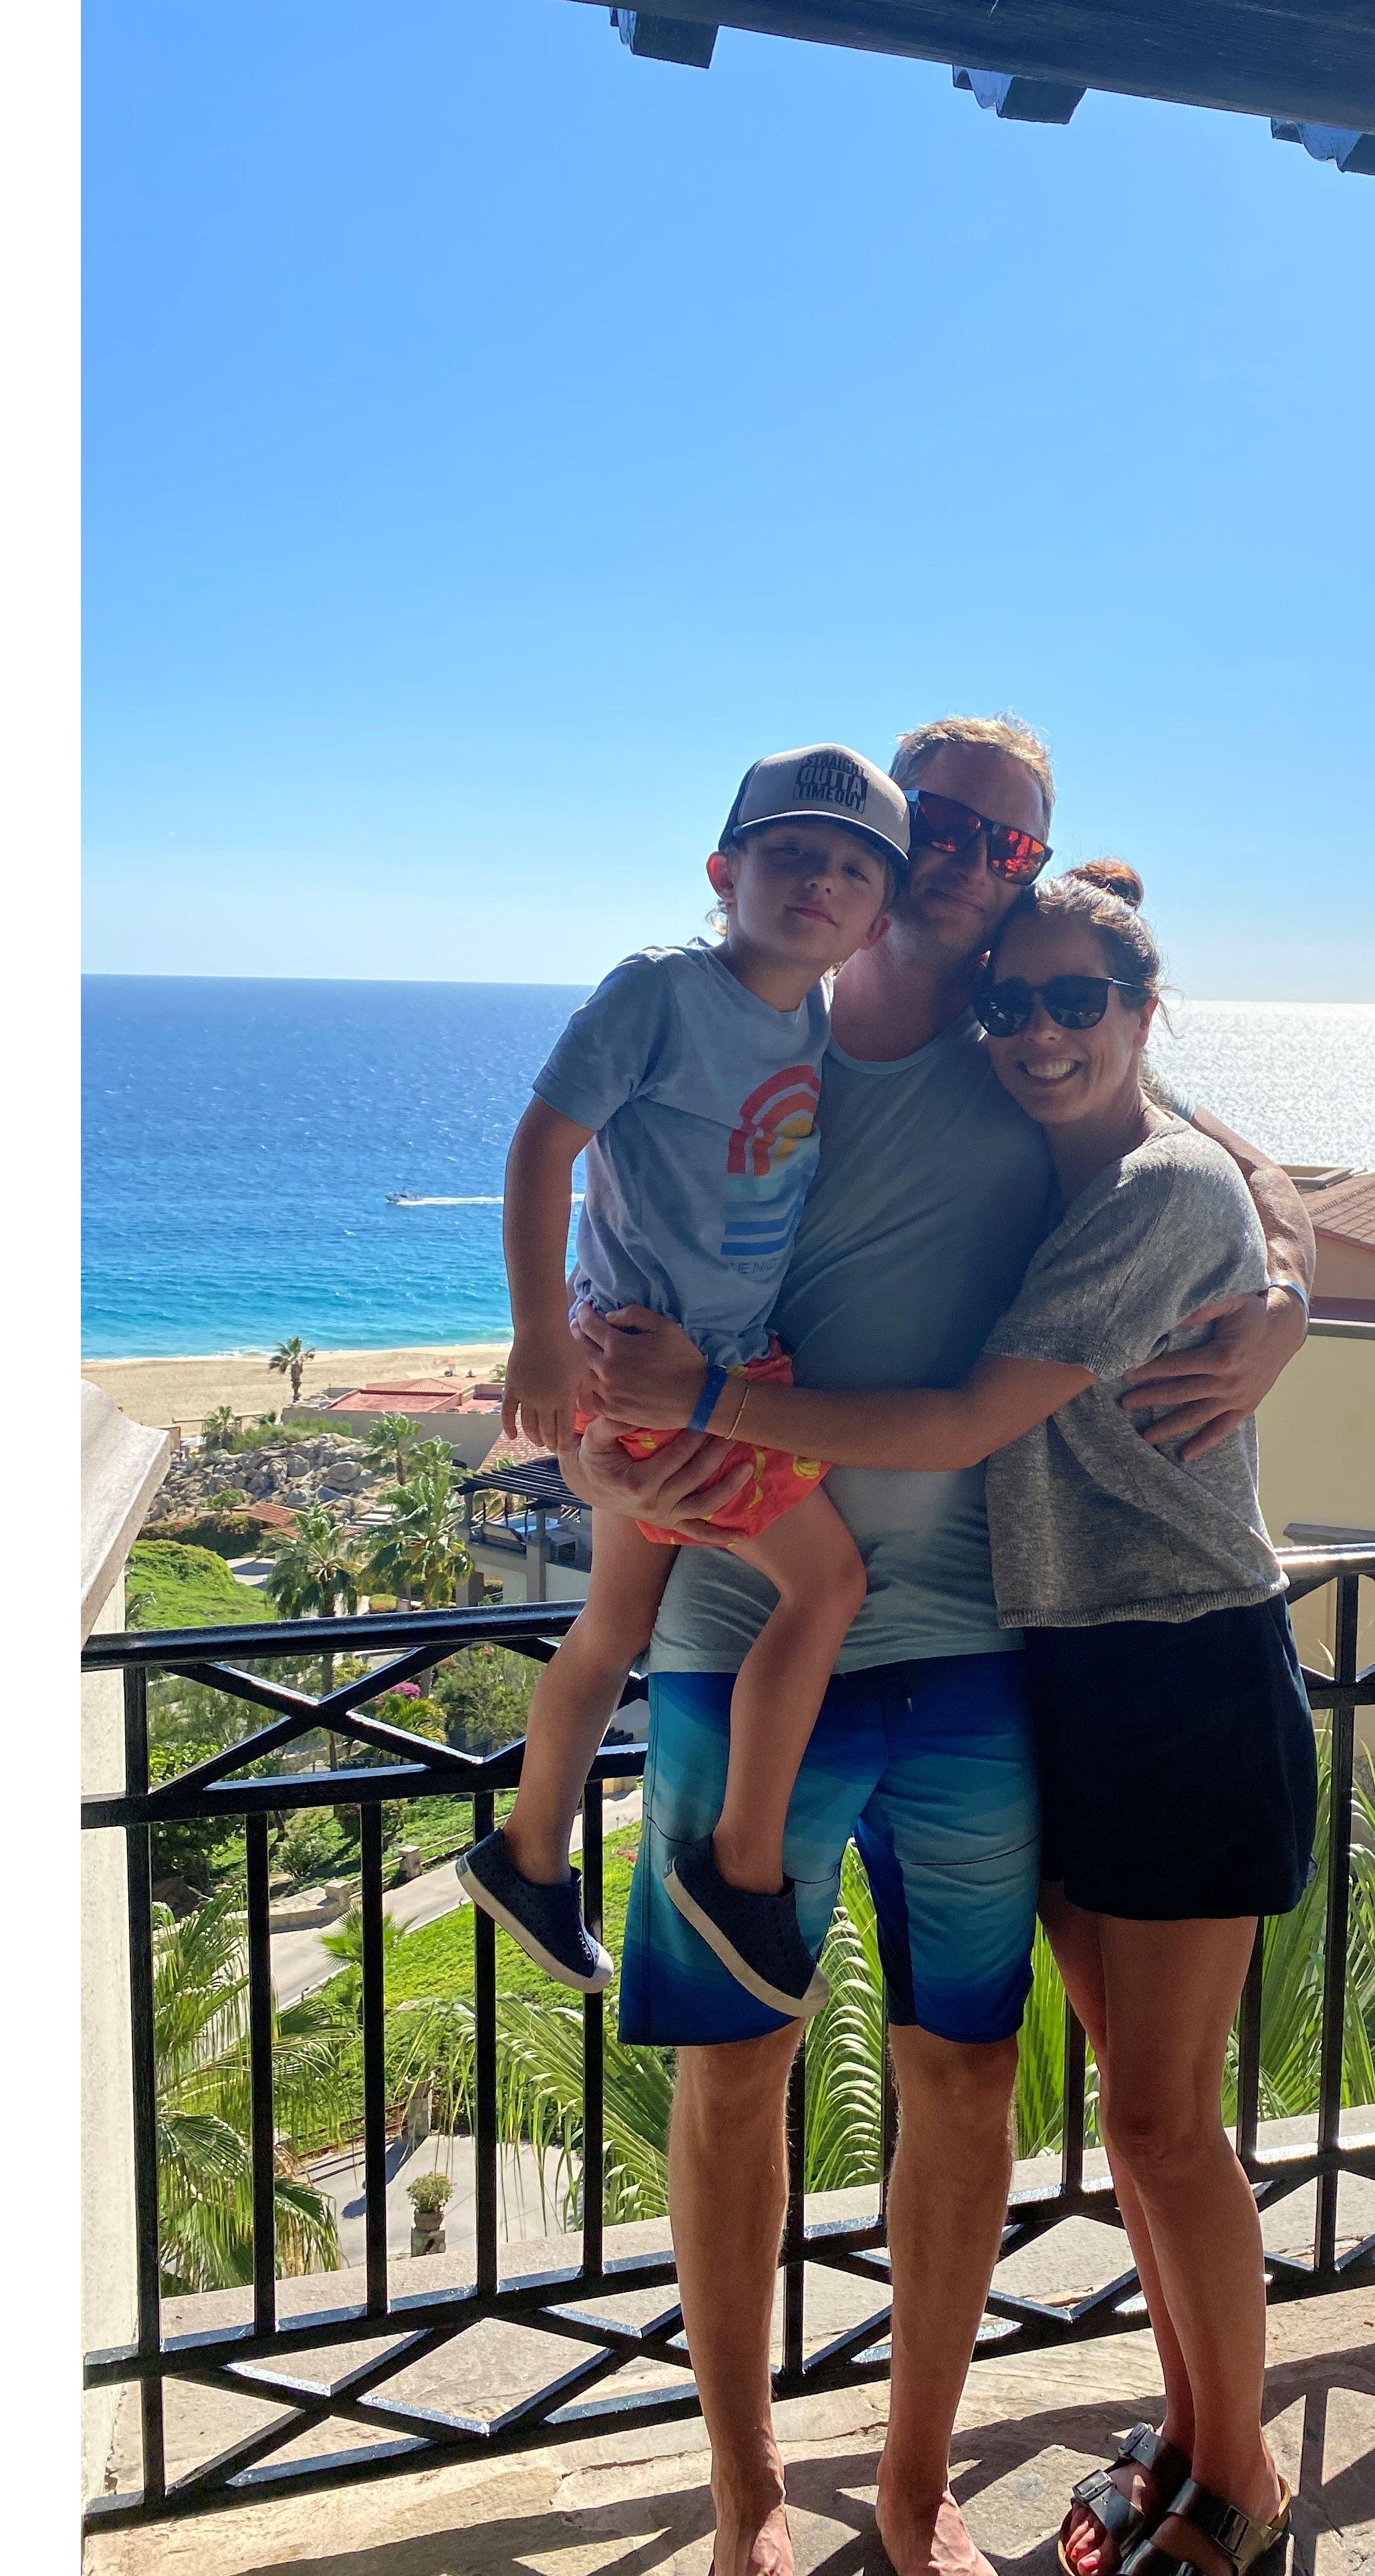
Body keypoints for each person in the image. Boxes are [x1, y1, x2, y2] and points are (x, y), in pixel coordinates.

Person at [570, 715, 1316, 2576]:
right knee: (734, 2076)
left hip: (986, 1652)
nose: (979, 869)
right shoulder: (754, 1034)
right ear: (897, 848)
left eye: (1014, 846)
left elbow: (1230, 1165)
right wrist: (593, 1427)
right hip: (739, 1636)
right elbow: (604, 1286)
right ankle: (748, 2504)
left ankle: (917, 2494)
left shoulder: (1032, 1048)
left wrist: (1289, 1293)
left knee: (973, 2080)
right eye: (952, 835)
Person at [454, 743, 911, 2015]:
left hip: (710, 1366)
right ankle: (739, 1869)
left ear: (876, 921)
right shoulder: (661, 989)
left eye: (853, 869)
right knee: (827, 1585)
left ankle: (528, 1853)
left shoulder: (810, 1021)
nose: (819, 881)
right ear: (724, 872)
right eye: (791, 853)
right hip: (650, 1365)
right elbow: (542, 1148)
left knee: (613, 1626)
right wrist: (537, 1338)